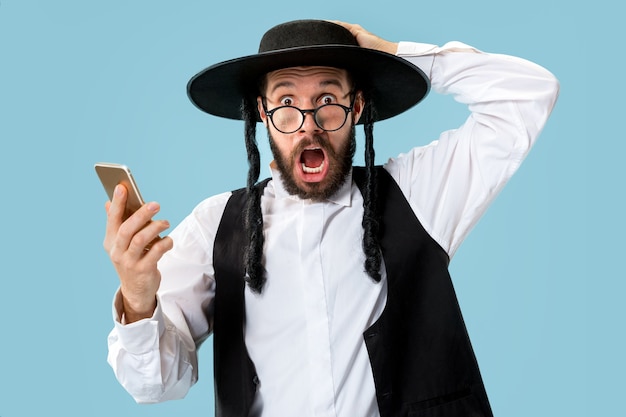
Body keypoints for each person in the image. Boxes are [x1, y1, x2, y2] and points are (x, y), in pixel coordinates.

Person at [103, 19, 559, 417]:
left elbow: (527, 96)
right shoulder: (215, 225)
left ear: (356, 108)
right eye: (285, 102)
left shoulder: (419, 193)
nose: (308, 123)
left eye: (327, 99)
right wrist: (139, 301)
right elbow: (156, 387)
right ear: (262, 115)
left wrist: (395, 54)